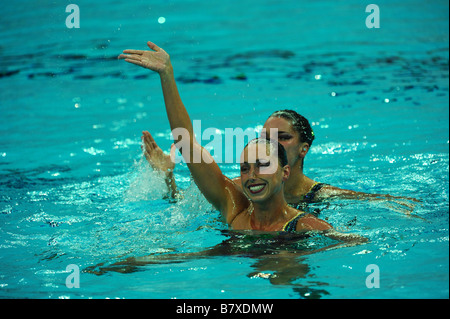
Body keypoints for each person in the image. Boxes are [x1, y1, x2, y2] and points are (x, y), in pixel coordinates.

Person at [118, 41, 367, 240]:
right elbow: (187, 144)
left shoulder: (306, 224)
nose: (251, 175)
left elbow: (354, 241)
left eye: (262, 165)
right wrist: (167, 75)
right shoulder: (235, 203)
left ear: (286, 171)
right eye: (245, 168)